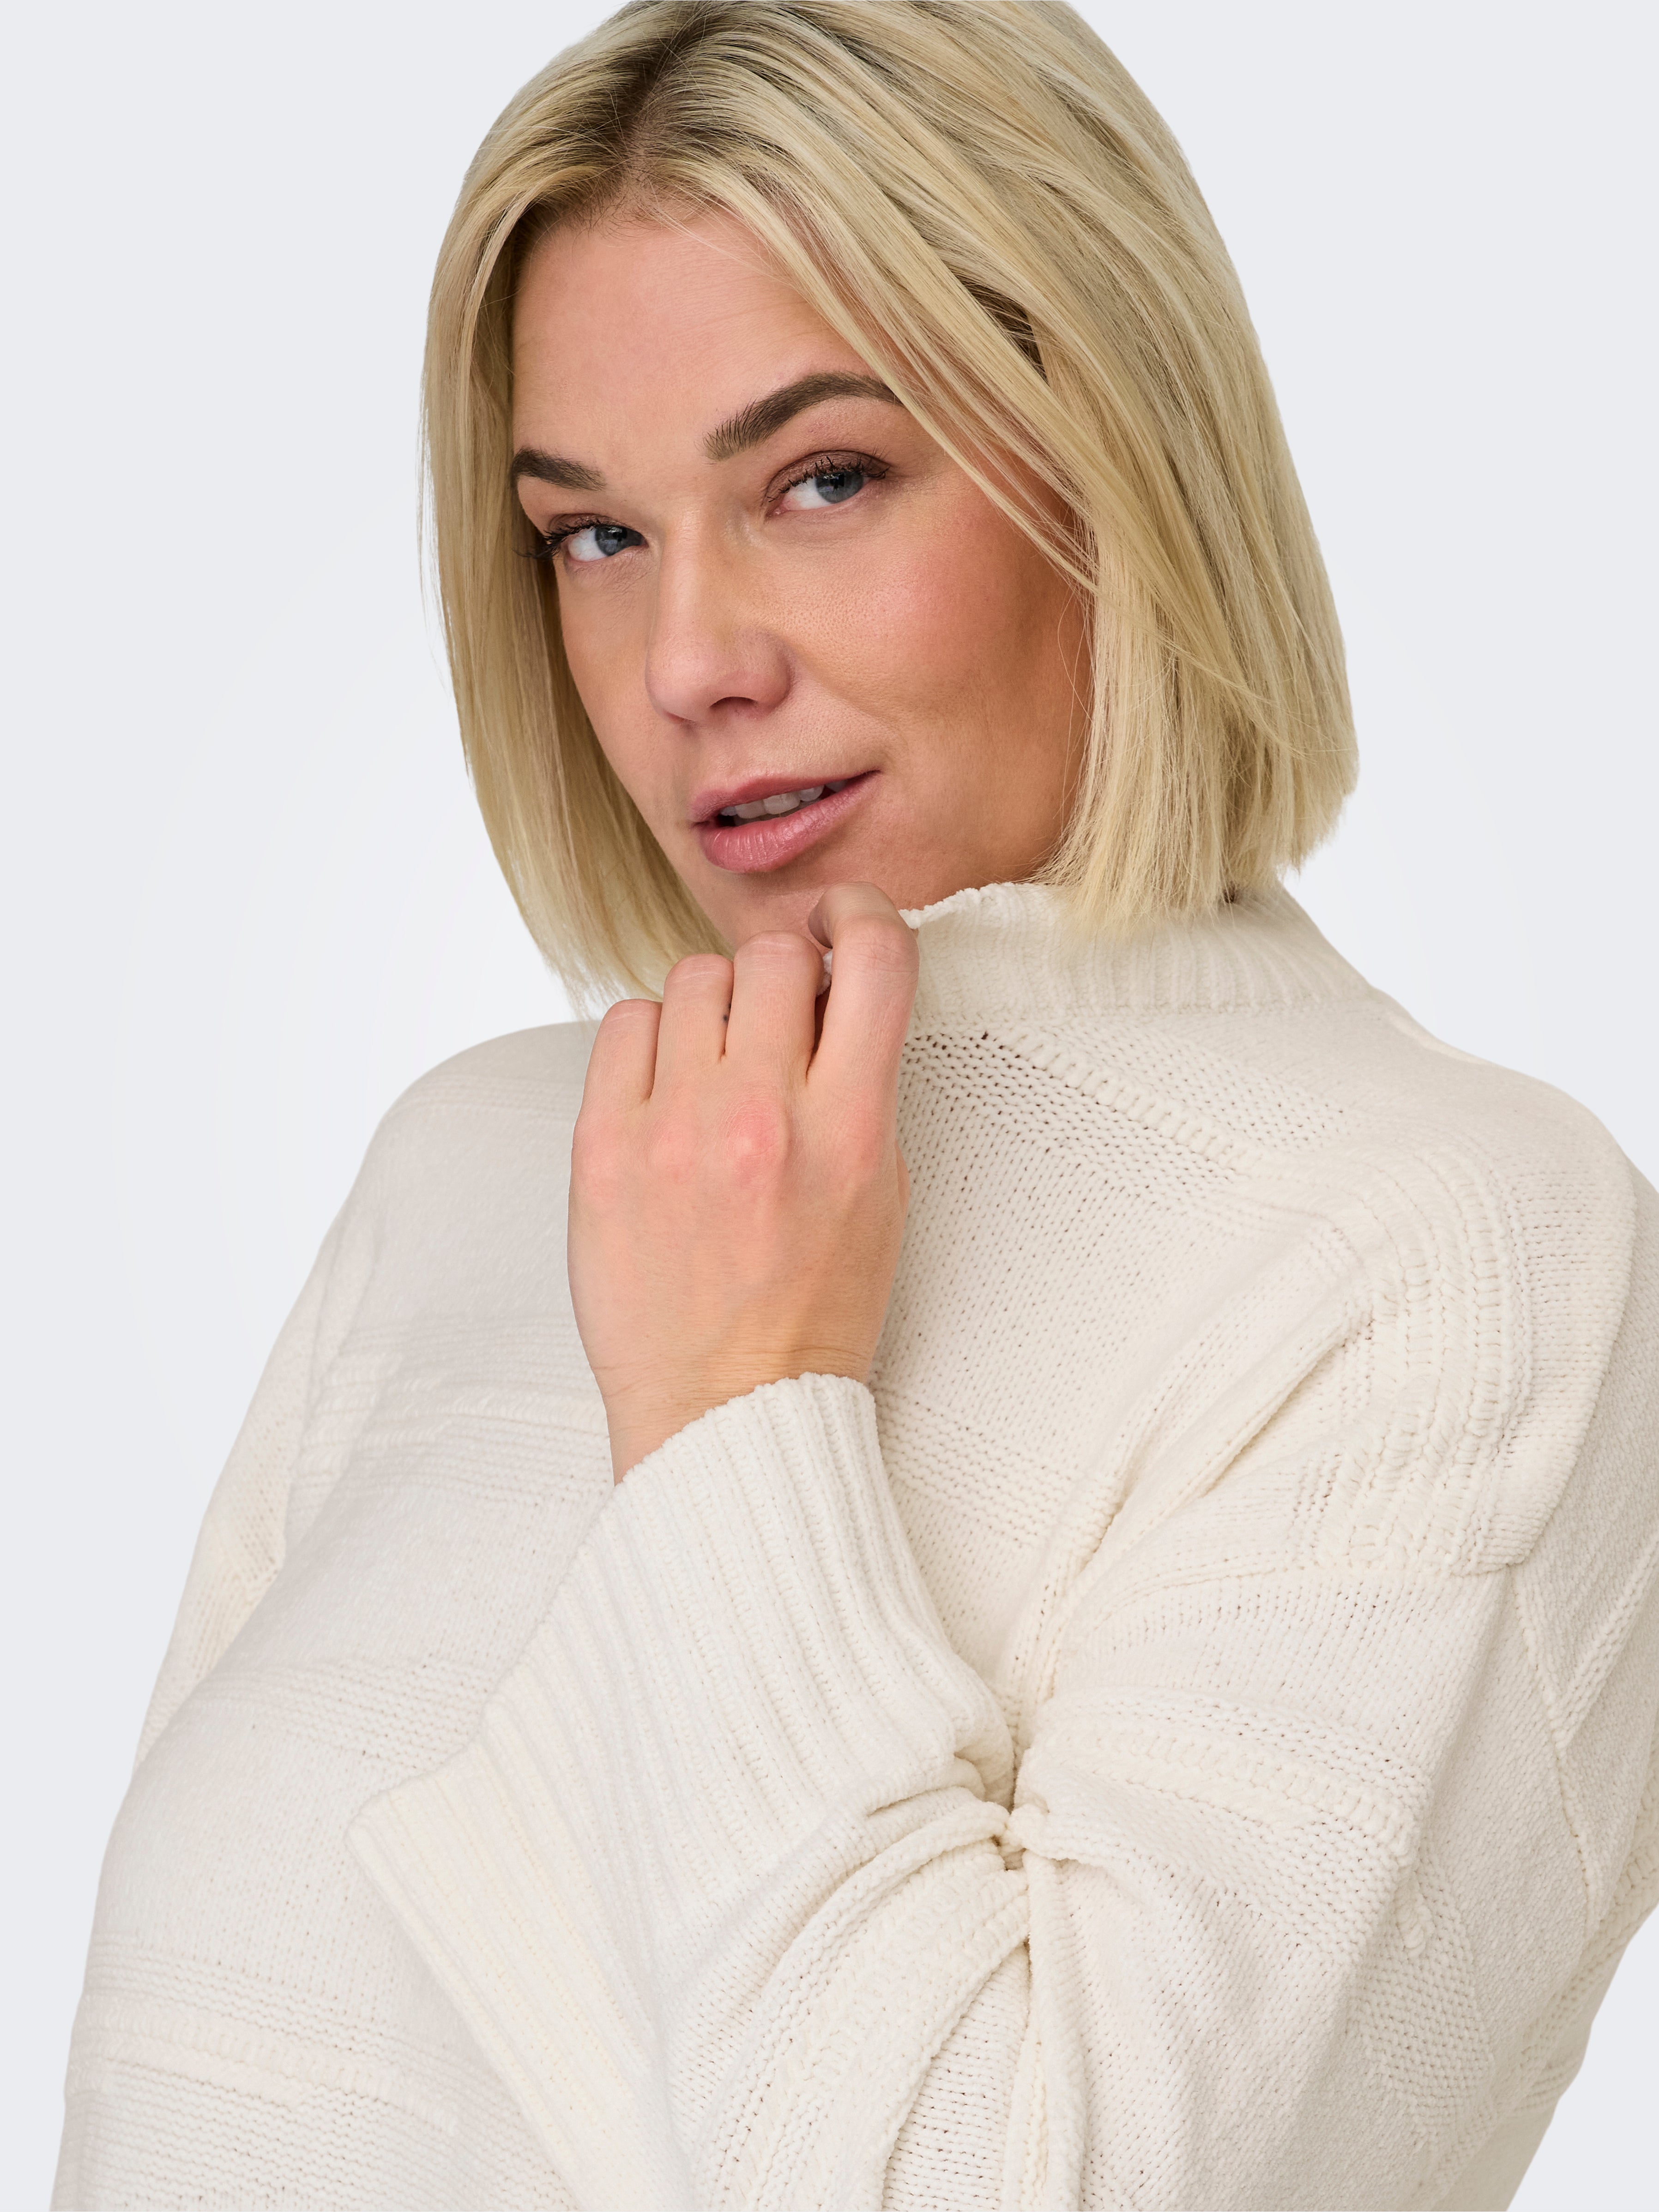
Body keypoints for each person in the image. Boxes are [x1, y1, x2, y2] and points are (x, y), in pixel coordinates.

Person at [54, 4, 1659, 2207]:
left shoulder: (1450, 1257)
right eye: (591, 535)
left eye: (820, 480)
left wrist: (735, 1407)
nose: (684, 660)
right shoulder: (470, 1166)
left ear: (1119, 454)